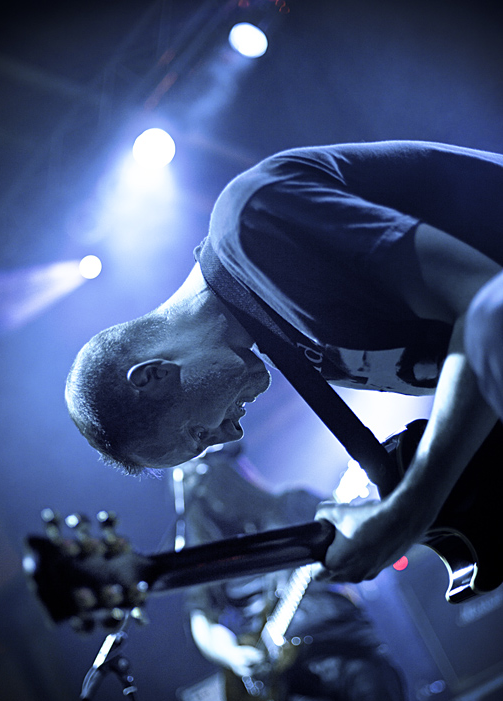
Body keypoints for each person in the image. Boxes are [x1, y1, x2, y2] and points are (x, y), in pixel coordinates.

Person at [65, 140, 503, 586]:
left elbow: (492, 304)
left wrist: (410, 509)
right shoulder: (292, 343)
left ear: (153, 375)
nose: (232, 435)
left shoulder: (253, 224)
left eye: (199, 433)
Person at [179, 446, 423, 701]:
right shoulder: (207, 553)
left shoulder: (292, 505)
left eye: (216, 475)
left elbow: (359, 541)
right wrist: (233, 655)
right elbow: (201, 621)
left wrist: (339, 555)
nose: (212, 489)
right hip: (289, 682)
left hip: (348, 647)